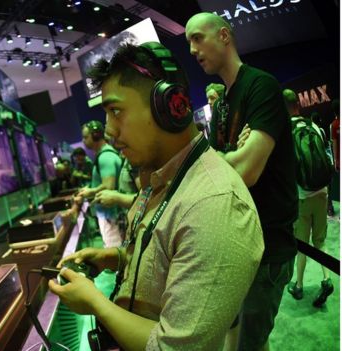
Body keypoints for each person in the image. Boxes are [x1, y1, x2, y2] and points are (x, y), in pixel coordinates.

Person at [48, 42, 263, 350]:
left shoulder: (213, 205)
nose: (108, 130)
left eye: (116, 111)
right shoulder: (160, 178)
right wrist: (116, 258)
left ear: (170, 105)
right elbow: (161, 255)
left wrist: (97, 304)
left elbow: (175, 347)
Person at [186, 13, 298, 351]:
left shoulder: (260, 86)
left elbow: (246, 170)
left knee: (249, 343)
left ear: (223, 36)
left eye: (197, 38)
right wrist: (228, 156)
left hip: (268, 249)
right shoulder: (223, 105)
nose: (192, 49)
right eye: (188, 42)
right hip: (238, 245)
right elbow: (221, 169)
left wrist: (225, 158)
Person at [283, 89, 334, 307]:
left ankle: (299, 286)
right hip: (322, 193)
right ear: (298, 105)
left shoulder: (284, 133)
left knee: (302, 245)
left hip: (301, 197)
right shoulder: (315, 127)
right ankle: (327, 278)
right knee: (320, 241)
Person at [76, 120, 124, 248]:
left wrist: (90, 192)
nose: (84, 141)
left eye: (86, 137)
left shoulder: (105, 157)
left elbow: (108, 186)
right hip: (108, 213)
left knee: (113, 247)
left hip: (110, 214)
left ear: (96, 135)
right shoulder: (104, 155)